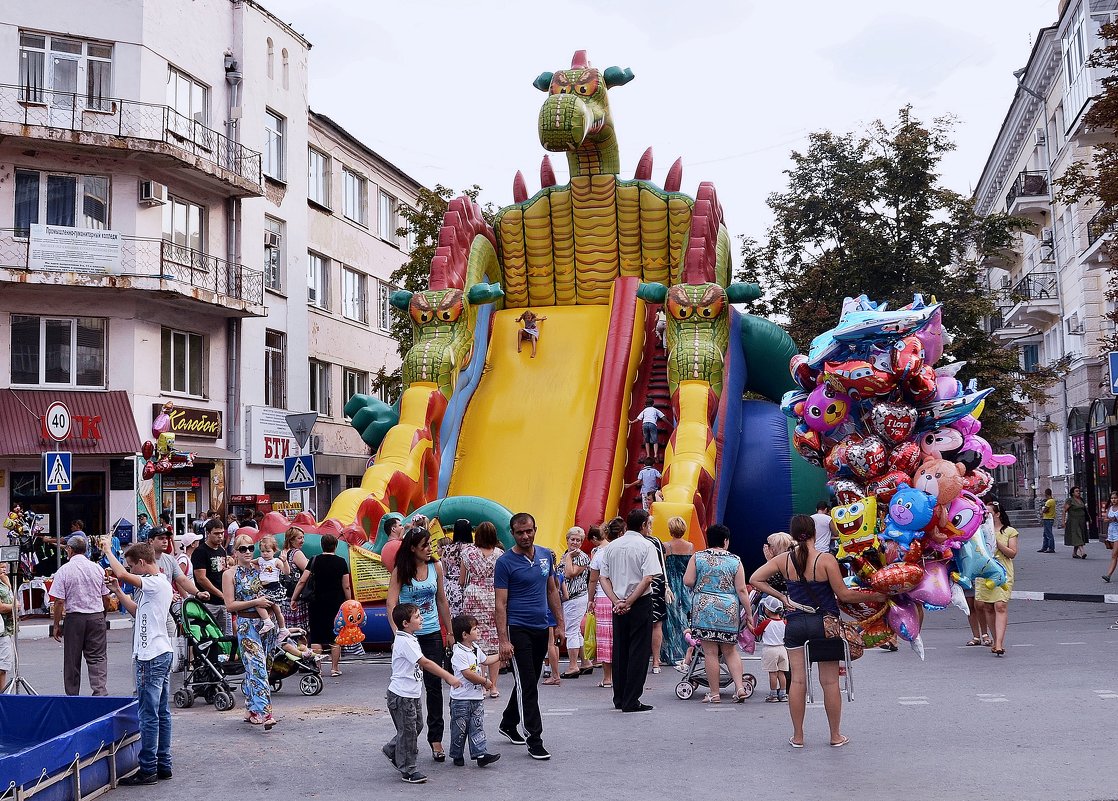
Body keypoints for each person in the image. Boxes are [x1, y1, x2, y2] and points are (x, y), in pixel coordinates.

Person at [750, 514, 886, 748]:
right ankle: (835, 735)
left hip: (795, 624)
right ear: (814, 532)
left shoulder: (783, 560)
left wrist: (783, 597)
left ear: (793, 535)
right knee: (830, 682)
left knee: (798, 682)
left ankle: (798, 736)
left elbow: (755, 579)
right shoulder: (826, 560)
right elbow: (844, 595)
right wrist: (875, 595)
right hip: (825, 624)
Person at [102, 541, 174, 785]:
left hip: (150, 656)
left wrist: (107, 550)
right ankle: (163, 764)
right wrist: (119, 592)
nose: (130, 571)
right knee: (161, 712)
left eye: (133, 566)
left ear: (142, 563)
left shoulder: (153, 583)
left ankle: (148, 768)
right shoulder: (157, 585)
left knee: (148, 715)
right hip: (159, 652)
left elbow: (121, 573)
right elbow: (137, 611)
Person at [494, 512, 564, 760]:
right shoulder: (505, 562)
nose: (525, 536)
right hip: (517, 627)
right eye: (520, 532)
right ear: (512, 533)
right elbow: (500, 604)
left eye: (529, 531)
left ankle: (508, 722)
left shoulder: (545, 555)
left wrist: (559, 623)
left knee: (529, 681)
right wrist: (503, 640)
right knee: (527, 683)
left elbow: (552, 589)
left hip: (541, 626)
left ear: (536, 529)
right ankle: (535, 738)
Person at [386, 528, 453, 761]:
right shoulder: (401, 571)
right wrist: (398, 635)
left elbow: (441, 600)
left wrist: (450, 632)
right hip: (409, 636)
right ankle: (404, 738)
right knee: (409, 687)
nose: (429, 549)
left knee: (434, 687)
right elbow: (391, 604)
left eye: (430, 544)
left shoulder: (436, 567)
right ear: (412, 547)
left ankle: (436, 739)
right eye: (424, 545)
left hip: (433, 632)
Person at [383, 603, 461, 784]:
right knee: (409, 732)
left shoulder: (410, 638)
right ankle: (408, 770)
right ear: (405, 623)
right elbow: (425, 663)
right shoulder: (405, 641)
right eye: (417, 617)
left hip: (411, 694)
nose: (422, 619)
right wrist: (448, 677)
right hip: (402, 696)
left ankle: (392, 749)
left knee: (415, 727)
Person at [598, 508, 661, 713]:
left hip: (618, 601)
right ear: (643, 525)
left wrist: (617, 601)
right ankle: (632, 698)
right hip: (639, 601)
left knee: (621, 649)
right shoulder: (646, 545)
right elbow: (648, 578)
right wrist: (630, 601)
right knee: (639, 651)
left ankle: (620, 696)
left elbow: (603, 577)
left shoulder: (612, 546)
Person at [683, 523, 753, 703]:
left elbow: (688, 580)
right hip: (728, 609)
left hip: (704, 608)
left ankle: (714, 693)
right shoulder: (735, 560)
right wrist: (749, 613)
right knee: (730, 651)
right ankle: (739, 687)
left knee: (710, 652)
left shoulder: (698, 557)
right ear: (725, 541)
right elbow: (742, 590)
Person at [223, 533, 280, 728]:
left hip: (268, 624)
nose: (247, 552)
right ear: (235, 552)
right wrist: (256, 602)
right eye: (242, 548)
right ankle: (265, 713)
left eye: (250, 548)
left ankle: (251, 708)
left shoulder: (260, 567)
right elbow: (229, 605)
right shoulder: (229, 574)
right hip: (247, 625)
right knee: (257, 668)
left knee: (263, 667)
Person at [48, 535, 110, 695]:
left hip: (75, 619)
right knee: (97, 658)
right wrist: (102, 615)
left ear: (70, 550)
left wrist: (56, 625)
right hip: (96, 616)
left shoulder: (64, 571)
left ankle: (72, 696)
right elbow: (106, 597)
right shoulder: (97, 568)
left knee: (72, 660)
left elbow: (59, 601)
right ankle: (100, 693)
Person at [292, 533, 352, 677]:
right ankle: (334, 668)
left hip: (316, 602)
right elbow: (346, 586)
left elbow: (302, 581)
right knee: (335, 636)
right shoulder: (341, 562)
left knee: (317, 636)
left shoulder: (314, 560)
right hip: (335, 602)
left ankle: (317, 668)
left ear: (321, 545)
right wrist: (349, 602)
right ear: (335, 546)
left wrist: (294, 598)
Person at [449, 614, 502, 768]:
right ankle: (457, 754)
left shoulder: (475, 649)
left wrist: (502, 655)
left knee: (477, 726)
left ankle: (480, 754)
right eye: (474, 629)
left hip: (476, 697)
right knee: (459, 728)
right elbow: (468, 674)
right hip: (461, 699)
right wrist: (485, 682)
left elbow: (486, 661)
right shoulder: (458, 652)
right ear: (465, 634)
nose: (478, 631)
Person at [460, 521, 504, 698]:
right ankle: (494, 686)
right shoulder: (500, 554)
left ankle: (482, 682)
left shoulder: (468, 552)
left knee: (475, 640)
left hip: (473, 595)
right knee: (493, 642)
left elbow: (462, 579)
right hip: (493, 596)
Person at [976, 501, 1018, 656]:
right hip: (984, 571)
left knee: (1000, 605)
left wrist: (997, 542)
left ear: (998, 514)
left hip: (1002, 572)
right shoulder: (979, 530)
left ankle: (999, 643)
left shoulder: (1009, 531)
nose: (986, 517)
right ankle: (995, 640)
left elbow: (1012, 553)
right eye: (984, 514)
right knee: (987, 606)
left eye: (989, 514)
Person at [586, 517, 624, 689]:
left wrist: (590, 600)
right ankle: (622, 675)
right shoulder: (623, 551)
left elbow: (593, 580)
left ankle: (608, 677)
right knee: (620, 637)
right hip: (623, 596)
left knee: (605, 638)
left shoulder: (600, 554)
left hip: (603, 597)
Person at [559, 526, 592, 679]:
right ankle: (585, 662)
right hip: (568, 598)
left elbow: (569, 573)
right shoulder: (566, 554)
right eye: (572, 539)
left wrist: (569, 558)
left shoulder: (582, 557)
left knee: (571, 630)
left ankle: (573, 666)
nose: (575, 542)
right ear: (567, 540)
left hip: (576, 596)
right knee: (576, 630)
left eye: (578, 540)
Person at [191, 518, 231, 635]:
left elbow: (224, 572)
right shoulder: (200, 551)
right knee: (208, 634)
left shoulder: (221, 550)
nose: (220, 536)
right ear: (208, 533)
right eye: (216, 533)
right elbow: (201, 578)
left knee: (224, 635)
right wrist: (220, 594)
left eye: (222, 533)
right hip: (208, 601)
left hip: (223, 602)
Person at [662, 516, 693, 667]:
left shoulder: (666, 546)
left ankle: (671, 652)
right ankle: (688, 649)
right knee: (684, 617)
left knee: (670, 618)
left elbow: (663, 567)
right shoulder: (690, 546)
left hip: (671, 584)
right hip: (685, 584)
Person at [965, 509, 995, 647]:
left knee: (980, 604)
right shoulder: (962, 528)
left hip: (980, 568)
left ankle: (985, 634)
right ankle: (976, 636)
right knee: (969, 604)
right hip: (966, 568)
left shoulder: (983, 529)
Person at [254, 535, 290, 636]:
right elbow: (249, 563)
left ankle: (270, 622)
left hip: (273, 587)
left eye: (268, 551)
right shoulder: (260, 559)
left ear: (274, 551)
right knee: (273, 608)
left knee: (259, 604)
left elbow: (286, 572)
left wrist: (285, 561)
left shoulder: (275, 561)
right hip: (263, 587)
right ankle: (281, 628)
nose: (265, 554)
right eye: (263, 551)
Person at [754, 596, 788, 703]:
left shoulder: (766, 622)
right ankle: (783, 694)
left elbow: (756, 632)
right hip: (782, 649)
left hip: (770, 649)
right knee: (781, 673)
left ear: (767, 610)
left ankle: (773, 695)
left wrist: (750, 625)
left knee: (773, 673)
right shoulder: (784, 622)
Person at [279, 526, 310, 632]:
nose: (303, 541)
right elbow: (309, 571)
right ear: (292, 540)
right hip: (297, 598)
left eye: (303, 538)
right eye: (300, 538)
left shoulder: (284, 553)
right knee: (301, 631)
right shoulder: (296, 553)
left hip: (285, 597)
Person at [442, 519, 472, 618]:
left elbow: (444, 570)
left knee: (454, 619)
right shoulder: (473, 548)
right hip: (469, 586)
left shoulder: (447, 549)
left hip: (452, 587)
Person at [1063, 485, 1090, 559]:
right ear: (1072, 493)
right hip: (1073, 521)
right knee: (1078, 536)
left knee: (1079, 536)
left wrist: (1088, 519)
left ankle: (1074, 553)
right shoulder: (1070, 500)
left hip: (1081, 521)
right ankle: (1082, 552)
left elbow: (1085, 510)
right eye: (1076, 491)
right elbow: (1064, 510)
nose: (1079, 492)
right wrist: (1063, 521)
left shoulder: (1081, 499)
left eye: (1079, 491)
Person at [0, 570, 14, 691]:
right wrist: (14, 606)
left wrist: (8, 585)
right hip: (2, 630)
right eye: (1, 567)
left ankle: (3, 694)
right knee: (2, 665)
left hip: (6, 629)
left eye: (5, 567)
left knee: (3, 665)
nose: (4, 570)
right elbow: (2, 607)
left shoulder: (5, 583)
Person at [1104, 492, 1118, 583]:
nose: (1113, 500)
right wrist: (1109, 519)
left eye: (1115, 498)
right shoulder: (1109, 509)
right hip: (1111, 533)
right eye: (1112, 498)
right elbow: (1105, 519)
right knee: (1116, 555)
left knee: (1114, 555)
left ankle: (1108, 575)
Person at [1039, 488, 1056, 553]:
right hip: (1050, 518)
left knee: (1048, 534)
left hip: (1047, 518)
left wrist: (1042, 510)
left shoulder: (1049, 501)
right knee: (1045, 534)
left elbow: (1045, 510)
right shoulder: (1053, 501)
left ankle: (1051, 548)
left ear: (1046, 494)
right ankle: (1044, 547)